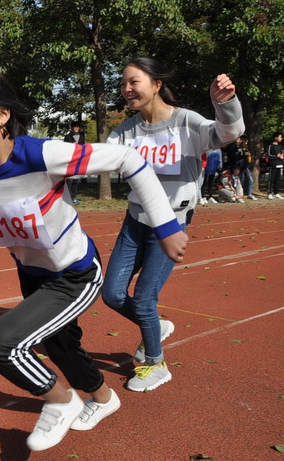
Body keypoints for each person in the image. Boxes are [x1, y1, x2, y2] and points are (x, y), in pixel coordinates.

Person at [0, 67, 188, 452]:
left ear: (1, 115)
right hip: (31, 273)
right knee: (60, 345)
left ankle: (62, 402)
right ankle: (103, 399)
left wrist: (165, 226)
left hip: (76, 274)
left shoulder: (42, 155)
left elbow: (129, 160)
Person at [103, 57, 244, 392]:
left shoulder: (186, 122)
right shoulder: (126, 131)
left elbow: (228, 132)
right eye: (123, 83)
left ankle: (156, 363)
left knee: (144, 298)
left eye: (133, 82)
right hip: (134, 223)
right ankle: (157, 325)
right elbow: (97, 157)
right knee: (110, 294)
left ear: (156, 84)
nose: (126, 89)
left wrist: (225, 103)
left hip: (171, 225)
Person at [63, 121, 86, 203]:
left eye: (77, 127)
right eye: (74, 127)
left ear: (79, 128)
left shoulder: (82, 137)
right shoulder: (67, 137)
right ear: (72, 128)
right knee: (70, 180)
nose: (76, 128)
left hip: (79, 161)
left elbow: (84, 148)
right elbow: (64, 148)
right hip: (70, 160)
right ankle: (68, 198)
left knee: (76, 181)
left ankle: (74, 198)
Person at [266, 132, 283, 199]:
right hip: (273, 165)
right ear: (276, 137)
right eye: (280, 137)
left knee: (277, 180)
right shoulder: (270, 145)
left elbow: (281, 154)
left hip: (279, 164)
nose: (281, 138)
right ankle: (269, 193)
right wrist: (276, 156)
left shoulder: (280, 146)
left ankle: (276, 193)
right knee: (271, 179)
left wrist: (282, 156)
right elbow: (268, 155)